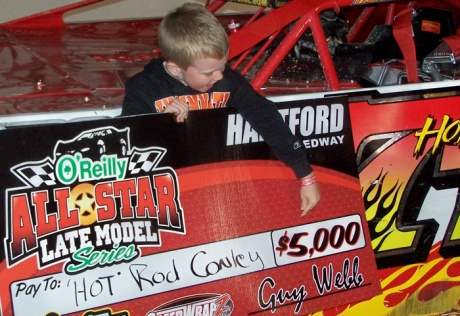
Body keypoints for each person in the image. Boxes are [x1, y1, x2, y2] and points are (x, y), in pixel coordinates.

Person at [121, 3, 320, 216]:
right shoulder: (144, 89)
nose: (219, 77)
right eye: (209, 73)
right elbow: (124, 145)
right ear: (175, 68)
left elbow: (266, 117)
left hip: (217, 192)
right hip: (168, 198)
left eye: (223, 66)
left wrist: (305, 174)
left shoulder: (228, 82)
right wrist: (156, 121)